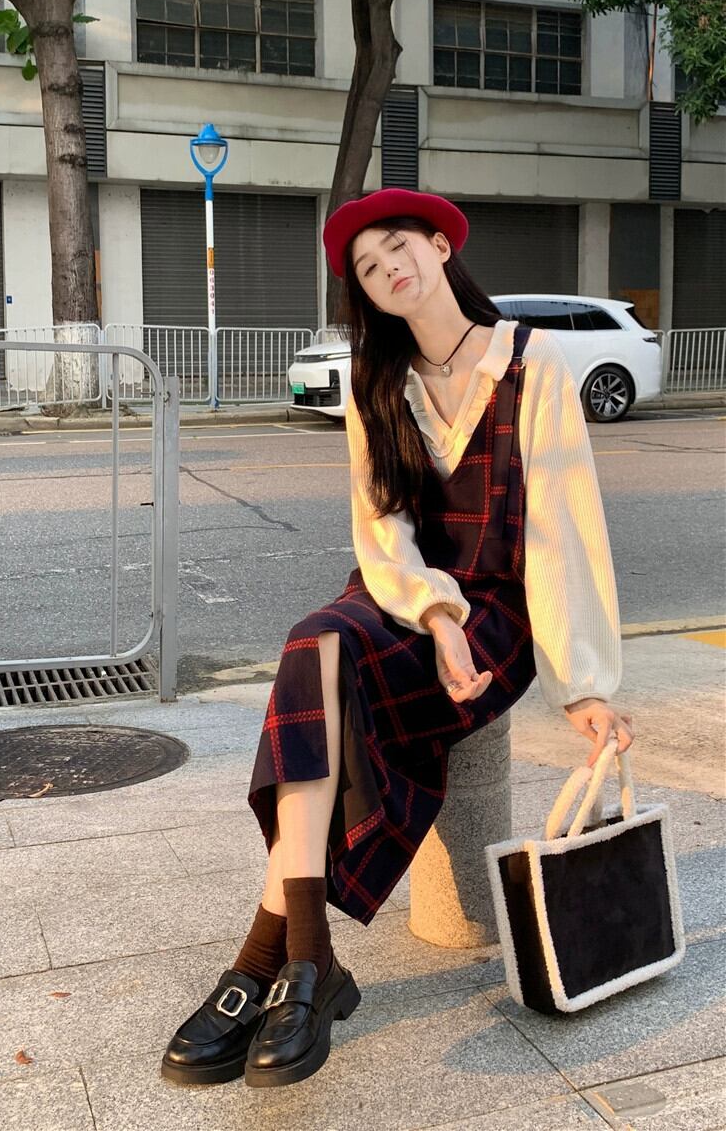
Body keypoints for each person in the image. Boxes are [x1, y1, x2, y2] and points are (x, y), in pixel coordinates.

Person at [161, 187, 635, 1091]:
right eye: (369, 269)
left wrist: (584, 683)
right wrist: (435, 614)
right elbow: (382, 529)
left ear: (441, 244)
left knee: (328, 678)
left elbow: (562, 530)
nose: (389, 270)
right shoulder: (376, 381)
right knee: (315, 645)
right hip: (402, 592)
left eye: (398, 247)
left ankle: (269, 959)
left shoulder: (533, 364)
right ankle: (308, 958)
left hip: (500, 612)